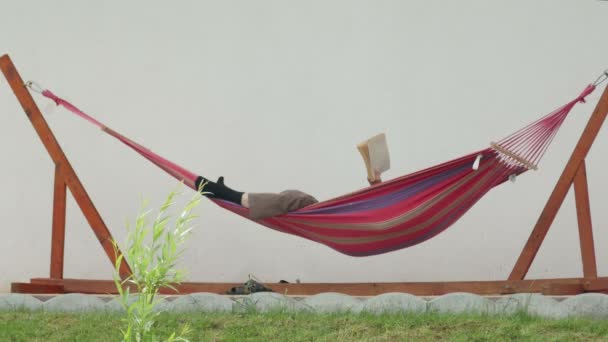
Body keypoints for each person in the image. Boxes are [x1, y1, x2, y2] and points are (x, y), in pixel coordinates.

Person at [195, 172, 383, 220]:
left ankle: (230, 194)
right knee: (293, 195)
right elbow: (384, 207)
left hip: (344, 221)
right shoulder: (393, 211)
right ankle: (232, 195)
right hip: (342, 216)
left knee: (300, 200)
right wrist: (376, 184)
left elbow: (380, 215)